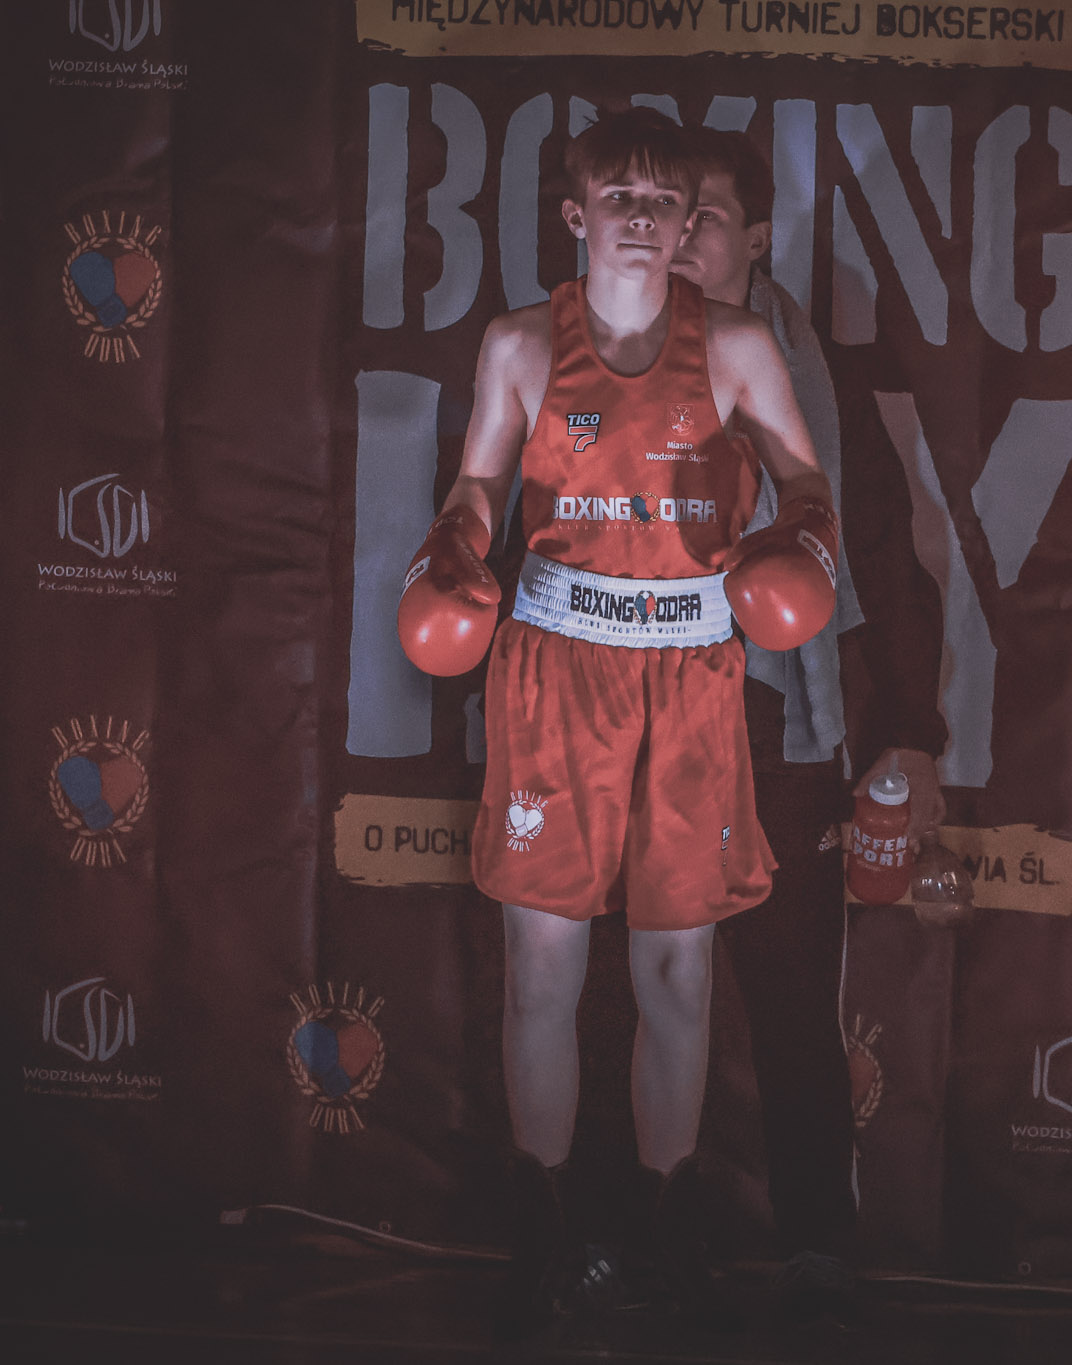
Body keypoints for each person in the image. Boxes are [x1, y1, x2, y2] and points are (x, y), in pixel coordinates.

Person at [393, 107, 840, 1334]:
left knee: (676, 971)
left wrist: (801, 538)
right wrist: (453, 545)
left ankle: (664, 1236)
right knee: (540, 965)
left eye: (663, 202)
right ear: (576, 214)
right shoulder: (519, 344)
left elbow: (804, 480)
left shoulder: (738, 345)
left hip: (688, 673)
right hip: (555, 673)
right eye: (620, 198)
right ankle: (542, 1237)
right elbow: (478, 481)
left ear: (689, 222)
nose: (643, 219)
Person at [671, 128, 946, 1319]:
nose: (678, 240)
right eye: (662, 215)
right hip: (634, 726)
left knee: (790, 1005)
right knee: (642, 999)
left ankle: (817, 1249)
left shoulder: (808, 377)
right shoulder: (594, 373)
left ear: (758, 236)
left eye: (705, 218)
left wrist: (910, 728)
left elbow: (880, 549)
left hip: (777, 726)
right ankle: (647, 1241)